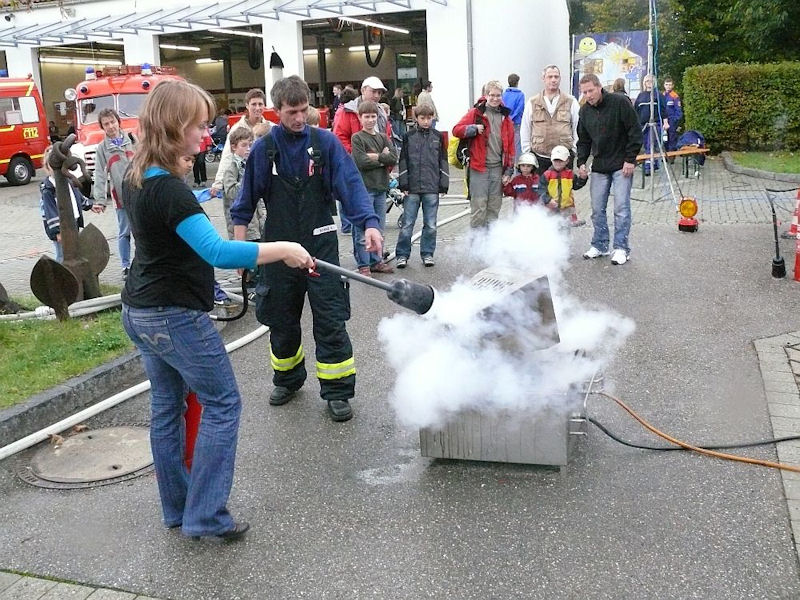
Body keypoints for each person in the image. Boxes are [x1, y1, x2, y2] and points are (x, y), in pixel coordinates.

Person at [120, 79, 313, 542]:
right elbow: (218, 253)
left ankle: (179, 509)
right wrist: (284, 247)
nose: (205, 136)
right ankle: (205, 516)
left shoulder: (136, 175)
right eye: (199, 126)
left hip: (139, 311)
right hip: (173, 316)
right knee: (223, 403)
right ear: (174, 126)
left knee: (166, 410)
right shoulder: (170, 190)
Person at [232, 75, 383, 423]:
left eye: (303, 110)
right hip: (278, 251)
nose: (299, 118)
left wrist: (370, 224)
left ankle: (337, 391)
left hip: (321, 248)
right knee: (281, 320)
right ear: (276, 112)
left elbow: (351, 186)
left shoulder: (326, 144)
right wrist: (240, 249)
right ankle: (287, 379)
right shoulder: (264, 149)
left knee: (330, 320)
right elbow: (243, 204)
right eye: (291, 112)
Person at [576, 73, 642, 266]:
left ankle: (621, 248)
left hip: (622, 164)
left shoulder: (619, 102)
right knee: (597, 209)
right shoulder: (584, 112)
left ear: (599, 87)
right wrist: (581, 162)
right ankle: (600, 244)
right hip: (599, 165)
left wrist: (630, 159)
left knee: (621, 208)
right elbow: (584, 140)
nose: (588, 95)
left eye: (590, 90)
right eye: (584, 92)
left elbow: (634, 131)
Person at [452, 80, 515, 229]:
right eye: (492, 95)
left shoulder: (506, 119)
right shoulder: (476, 113)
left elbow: (511, 148)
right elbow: (456, 130)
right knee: (479, 209)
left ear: (502, 97)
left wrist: (509, 171)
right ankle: (476, 248)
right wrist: (473, 129)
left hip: (497, 170)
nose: (495, 98)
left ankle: (489, 248)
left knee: (493, 210)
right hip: (478, 169)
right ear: (486, 95)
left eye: (498, 95)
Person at [396, 104, 449, 269]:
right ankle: (402, 255)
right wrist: (403, 183)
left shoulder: (438, 137)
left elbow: (443, 161)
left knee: (431, 225)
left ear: (433, 117)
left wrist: (444, 184)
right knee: (407, 224)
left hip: (432, 187)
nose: (426, 121)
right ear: (416, 119)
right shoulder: (408, 136)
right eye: (422, 118)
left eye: (429, 118)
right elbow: (402, 160)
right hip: (411, 187)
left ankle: (427, 254)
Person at [351, 100, 398, 276]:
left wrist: (375, 157)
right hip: (365, 189)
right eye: (367, 117)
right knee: (363, 229)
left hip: (381, 188)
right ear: (360, 118)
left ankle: (376, 261)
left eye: (373, 116)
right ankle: (363, 264)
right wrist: (382, 157)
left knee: (378, 228)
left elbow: (393, 157)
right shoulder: (357, 138)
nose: (370, 120)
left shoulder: (383, 137)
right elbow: (361, 162)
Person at [92, 107, 136, 279]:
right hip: (121, 198)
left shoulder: (132, 139)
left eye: (112, 122)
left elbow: (145, 162)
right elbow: (100, 174)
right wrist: (100, 200)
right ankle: (125, 266)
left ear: (119, 122)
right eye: (106, 124)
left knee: (141, 231)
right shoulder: (102, 148)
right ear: (102, 127)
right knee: (125, 232)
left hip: (139, 194)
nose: (110, 126)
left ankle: (141, 263)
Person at [39, 147, 102, 262]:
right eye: (53, 167)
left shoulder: (67, 181)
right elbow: (50, 212)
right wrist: (57, 232)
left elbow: (76, 196)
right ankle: (61, 277)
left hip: (74, 222)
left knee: (74, 251)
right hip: (62, 227)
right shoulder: (48, 189)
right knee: (63, 254)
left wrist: (90, 205)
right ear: (48, 167)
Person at [520, 64, 580, 176]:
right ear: (543, 79)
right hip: (539, 158)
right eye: (550, 77)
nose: (553, 80)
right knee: (540, 192)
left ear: (560, 79)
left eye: (556, 77)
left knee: (563, 192)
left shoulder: (571, 101)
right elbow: (525, 128)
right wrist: (528, 153)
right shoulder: (533, 102)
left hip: (563, 159)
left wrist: (573, 151)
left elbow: (578, 127)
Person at [211, 88, 269, 197]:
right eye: (254, 104)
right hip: (243, 182)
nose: (257, 108)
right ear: (247, 105)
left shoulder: (271, 128)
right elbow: (227, 156)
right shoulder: (237, 128)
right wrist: (218, 183)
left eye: (260, 104)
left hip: (265, 181)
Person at [222, 127, 264, 242]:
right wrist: (248, 180)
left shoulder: (251, 165)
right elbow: (231, 193)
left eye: (251, 145)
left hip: (258, 224)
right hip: (242, 227)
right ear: (234, 147)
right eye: (244, 145)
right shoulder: (231, 169)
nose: (248, 149)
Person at [333, 76, 392, 153]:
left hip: (380, 161)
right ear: (363, 90)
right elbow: (339, 138)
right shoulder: (347, 110)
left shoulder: (382, 112)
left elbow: (387, 137)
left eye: (379, 92)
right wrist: (358, 155)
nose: (377, 95)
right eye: (373, 91)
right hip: (355, 162)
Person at [540, 145, 587, 225]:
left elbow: (576, 186)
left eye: (560, 161)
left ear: (567, 161)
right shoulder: (547, 175)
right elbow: (541, 189)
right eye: (556, 160)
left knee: (566, 230)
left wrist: (583, 178)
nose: (558, 163)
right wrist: (548, 200)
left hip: (567, 208)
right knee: (552, 228)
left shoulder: (570, 174)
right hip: (551, 208)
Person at [634, 74, 669, 175]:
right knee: (646, 145)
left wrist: (665, 122)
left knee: (651, 144)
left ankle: (649, 167)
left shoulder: (658, 95)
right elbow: (636, 110)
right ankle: (655, 163)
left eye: (651, 81)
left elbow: (663, 110)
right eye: (647, 81)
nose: (649, 83)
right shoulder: (641, 95)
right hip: (643, 125)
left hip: (655, 124)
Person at [502, 74, 525, 164]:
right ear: (517, 82)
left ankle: (505, 165)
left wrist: (507, 118)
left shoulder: (504, 94)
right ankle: (517, 166)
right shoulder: (520, 95)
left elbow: (502, 107)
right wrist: (513, 118)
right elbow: (520, 108)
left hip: (505, 122)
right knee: (516, 145)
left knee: (505, 143)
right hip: (516, 122)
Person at [661, 77, 683, 153]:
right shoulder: (662, 95)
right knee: (664, 138)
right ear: (664, 85)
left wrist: (675, 120)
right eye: (667, 85)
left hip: (672, 120)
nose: (668, 86)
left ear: (673, 86)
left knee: (672, 138)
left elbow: (678, 110)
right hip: (663, 120)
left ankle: (671, 156)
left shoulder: (675, 96)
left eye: (670, 85)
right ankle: (666, 154)